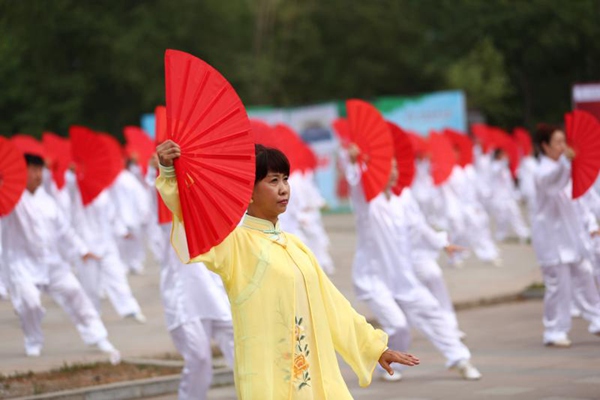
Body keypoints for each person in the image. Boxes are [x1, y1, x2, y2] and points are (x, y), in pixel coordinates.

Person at [156, 141, 419, 399]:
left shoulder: (295, 245)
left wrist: (374, 348)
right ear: (248, 191)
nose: (283, 189)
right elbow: (193, 217)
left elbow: (333, 304)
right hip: (269, 380)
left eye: (285, 179)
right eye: (273, 181)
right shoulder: (236, 244)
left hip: (314, 376)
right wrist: (169, 173)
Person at [343, 145, 481, 382]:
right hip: (375, 279)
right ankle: (389, 364)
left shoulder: (402, 199)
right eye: (388, 168)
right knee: (397, 325)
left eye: (395, 167)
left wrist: (441, 243)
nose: (393, 172)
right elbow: (357, 188)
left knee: (433, 312)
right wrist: (354, 162)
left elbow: (419, 226)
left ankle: (460, 359)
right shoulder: (368, 203)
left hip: (403, 277)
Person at [2, 153, 120, 362]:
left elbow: (65, 231)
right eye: (33, 170)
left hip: (52, 263)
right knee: (29, 303)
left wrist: (82, 250)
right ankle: (33, 340)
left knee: (76, 293)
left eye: (40, 170)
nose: (38, 175)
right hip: (23, 265)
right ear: (23, 172)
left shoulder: (47, 201)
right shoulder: (11, 199)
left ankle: (97, 335)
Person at [531, 124, 600, 347]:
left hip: (572, 235)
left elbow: (581, 200)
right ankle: (553, 330)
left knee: (585, 276)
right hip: (551, 239)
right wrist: (565, 163)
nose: (562, 147)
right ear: (545, 146)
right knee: (557, 286)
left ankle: (597, 319)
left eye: (564, 142)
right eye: (557, 143)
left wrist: (590, 224)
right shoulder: (542, 171)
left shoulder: (567, 170)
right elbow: (552, 181)